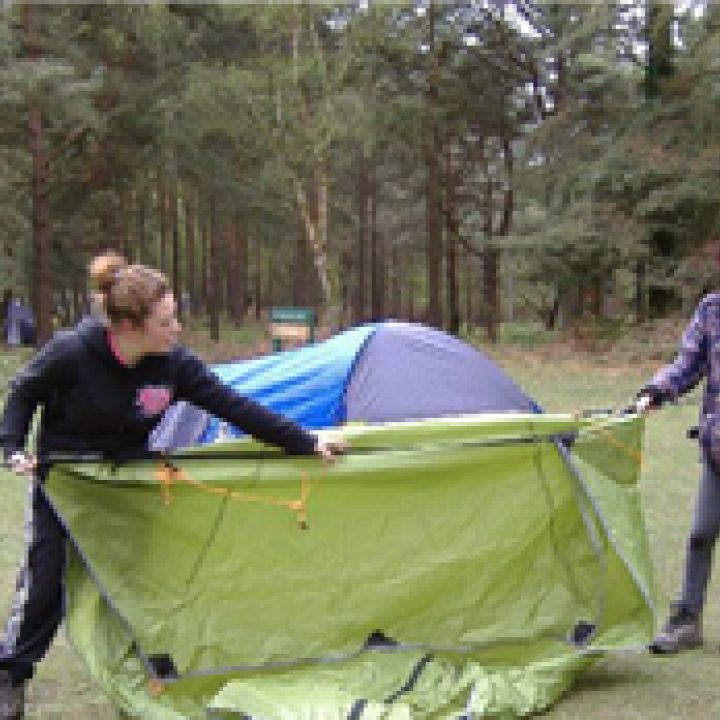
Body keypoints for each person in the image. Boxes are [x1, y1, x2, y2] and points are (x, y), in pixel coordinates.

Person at [0, 252, 343, 719]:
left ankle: (140, 682)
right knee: (45, 584)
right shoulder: (73, 352)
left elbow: (236, 407)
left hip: (129, 484)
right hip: (68, 479)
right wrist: (12, 446)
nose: (176, 329)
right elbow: (24, 392)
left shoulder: (175, 367)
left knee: (134, 585)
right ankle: (11, 677)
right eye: (166, 321)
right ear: (128, 325)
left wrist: (304, 442)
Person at [636, 291, 720, 654]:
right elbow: (688, 363)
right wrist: (655, 391)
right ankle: (687, 621)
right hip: (717, 452)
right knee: (701, 533)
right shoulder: (712, 309)